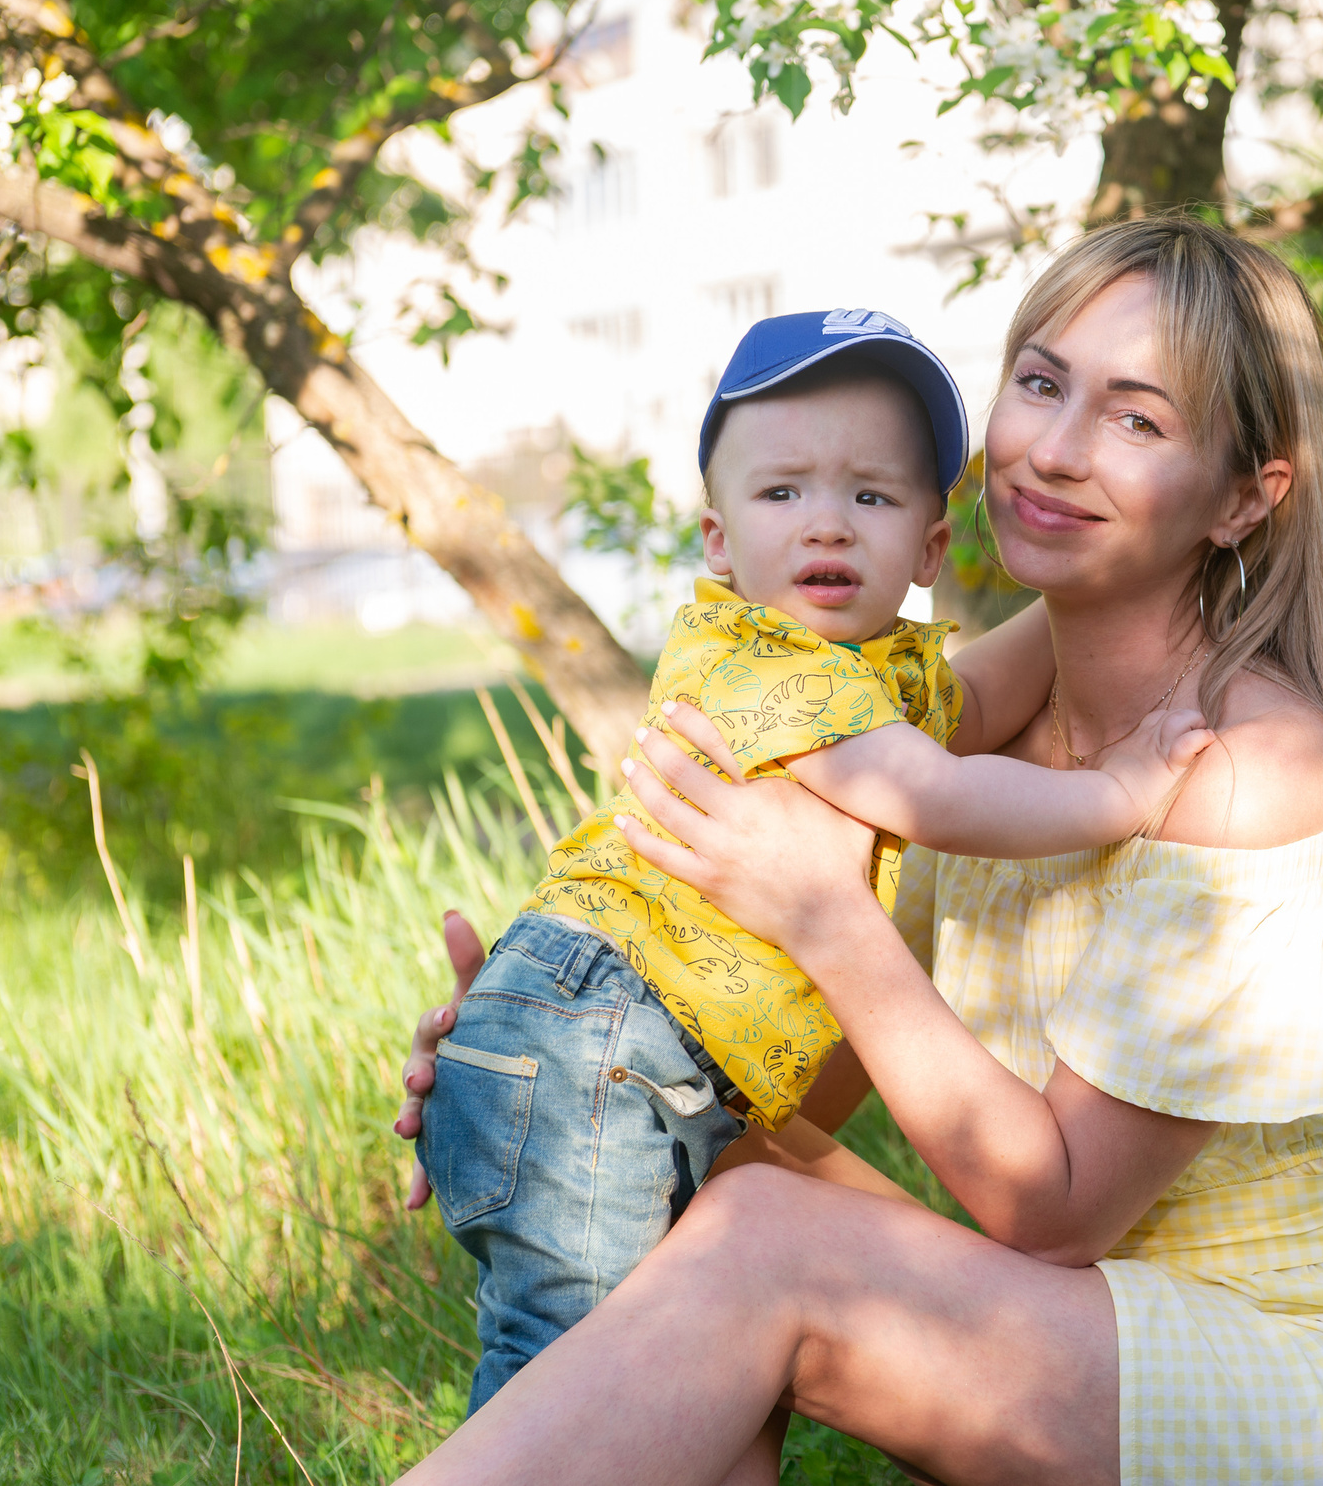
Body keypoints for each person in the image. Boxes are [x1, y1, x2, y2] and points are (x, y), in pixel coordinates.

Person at [394, 218, 1323, 1484]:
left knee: (767, 1240)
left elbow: (1048, 1211)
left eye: (1135, 419)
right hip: (1100, 1335)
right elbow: (784, 1090)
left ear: (1241, 497)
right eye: (1041, 382)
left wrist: (826, 915)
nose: (1050, 449)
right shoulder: (974, 707)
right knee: (675, 1151)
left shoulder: (1249, 766)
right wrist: (562, 1049)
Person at [412, 306, 1210, 1410]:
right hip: (598, 1039)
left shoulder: (875, 672)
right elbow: (935, 790)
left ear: (930, 548)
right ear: (718, 541)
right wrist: (1119, 793)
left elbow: (976, 701)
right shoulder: (763, 660)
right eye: (782, 492)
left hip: (626, 1053)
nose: (826, 524)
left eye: (870, 496)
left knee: (681, 1370)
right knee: (574, 1377)